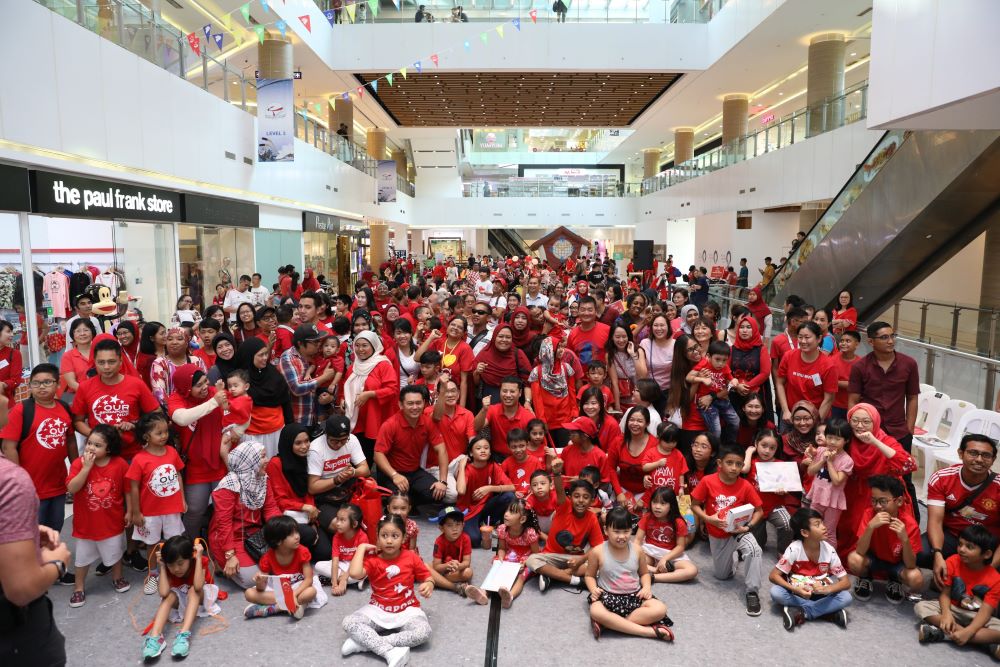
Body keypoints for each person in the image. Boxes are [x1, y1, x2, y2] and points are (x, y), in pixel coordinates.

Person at [848, 321, 920, 519]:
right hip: (870, 433)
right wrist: (856, 429)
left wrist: (909, 429)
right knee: (870, 478)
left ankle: (911, 522)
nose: (891, 341)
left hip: (899, 431)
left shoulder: (908, 364)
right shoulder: (860, 366)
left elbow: (912, 397)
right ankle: (868, 520)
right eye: (884, 337)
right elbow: (853, 400)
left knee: (905, 479)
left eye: (892, 336)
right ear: (871, 341)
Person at [341, 514, 434, 666]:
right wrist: (361, 548)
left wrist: (429, 584)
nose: (389, 540)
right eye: (384, 536)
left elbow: (428, 577)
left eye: (395, 536)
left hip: (408, 609)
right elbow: (355, 573)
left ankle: (364, 644)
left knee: (424, 632)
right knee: (349, 622)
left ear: (403, 538)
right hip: (378, 609)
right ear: (377, 537)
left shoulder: (411, 556)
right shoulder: (373, 559)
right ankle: (389, 652)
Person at [690, 444, 765, 616]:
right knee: (722, 576)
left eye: (738, 464)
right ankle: (735, 558)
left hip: (739, 532)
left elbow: (759, 511)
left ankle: (752, 592)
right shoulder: (708, 481)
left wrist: (748, 527)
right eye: (729, 463)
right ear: (719, 463)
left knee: (754, 550)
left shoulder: (745, 485)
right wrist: (709, 519)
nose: (734, 467)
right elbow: (694, 505)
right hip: (717, 535)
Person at [0, 364, 76, 533]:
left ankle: (52, 559)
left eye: (47, 382)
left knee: (55, 529)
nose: (41, 386)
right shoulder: (21, 410)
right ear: (30, 386)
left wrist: (76, 468)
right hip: (30, 488)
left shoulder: (64, 408)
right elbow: (8, 446)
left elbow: (70, 441)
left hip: (58, 484)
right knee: (32, 533)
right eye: (36, 383)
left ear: (58, 384)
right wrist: (19, 482)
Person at [836, 403, 916, 555]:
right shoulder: (847, 438)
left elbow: (908, 464)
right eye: (855, 421)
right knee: (850, 528)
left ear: (876, 422)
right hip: (853, 491)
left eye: (866, 422)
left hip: (881, 493)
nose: (860, 426)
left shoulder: (885, 440)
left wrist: (875, 442)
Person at [585, 506, 674, 642]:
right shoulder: (597, 551)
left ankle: (610, 624)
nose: (622, 536)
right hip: (607, 597)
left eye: (626, 531)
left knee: (660, 609)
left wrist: (646, 588)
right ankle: (649, 632)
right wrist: (593, 590)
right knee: (595, 610)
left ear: (631, 530)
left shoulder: (637, 550)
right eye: (616, 531)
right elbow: (589, 576)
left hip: (634, 596)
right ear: (606, 531)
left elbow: (644, 574)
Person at [65, 425, 131, 607]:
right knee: (82, 558)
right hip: (86, 524)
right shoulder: (79, 463)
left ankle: (117, 578)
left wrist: (130, 510)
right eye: (89, 443)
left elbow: (127, 491)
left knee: (115, 552)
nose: (91, 448)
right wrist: (86, 468)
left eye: (97, 445)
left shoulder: (120, 464)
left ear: (109, 448)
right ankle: (78, 588)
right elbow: (72, 488)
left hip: (112, 521)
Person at [915, 525, 1000, 657]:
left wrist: (970, 631)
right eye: (960, 544)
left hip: (977, 617)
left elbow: (986, 611)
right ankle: (985, 642)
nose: (962, 549)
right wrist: (946, 614)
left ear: (987, 554)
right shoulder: (953, 561)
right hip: (954, 609)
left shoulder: (995, 578)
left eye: (969, 547)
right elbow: (945, 595)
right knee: (921, 607)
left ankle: (945, 634)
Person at [71, 336, 161, 462]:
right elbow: (77, 421)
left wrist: (135, 425)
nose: (106, 367)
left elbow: (156, 413)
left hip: (132, 455)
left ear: (120, 362)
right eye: (101, 362)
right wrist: (97, 436)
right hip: (98, 456)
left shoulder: (136, 384)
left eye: (111, 362)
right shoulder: (85, 387)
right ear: (94, 362)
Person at [921, 434, 1000, 575]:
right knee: (919, 552)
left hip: (986, 543)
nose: (979, 460)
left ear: (993, 460)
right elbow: (935, 521)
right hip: (952, 536)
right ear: (960, 453)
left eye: (986, 455)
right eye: (973, 453)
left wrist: (989, 572)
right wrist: (937, 554)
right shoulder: (941, 478)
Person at [166, 365, 228, 539]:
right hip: (195, 467)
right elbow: (181, 418)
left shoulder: (215, 392)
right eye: (199, 384)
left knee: (223, 511)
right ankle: (189, 548)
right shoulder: (177, 399)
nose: (205, 387)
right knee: (194, 511)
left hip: (220, 463)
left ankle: (221, 550)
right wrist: (214, 402)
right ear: (186, 387)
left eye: (205, 381)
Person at [209, 442, 281, 588]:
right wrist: (230, 556)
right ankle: (218, 559)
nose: (267, 460)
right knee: (252, 581)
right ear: (249, 460)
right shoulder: (228, 486)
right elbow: (224, 524)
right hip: (230, 540)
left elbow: (270, 509)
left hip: (256, 535)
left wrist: (283, 531)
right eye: (262, 457)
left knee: (281, 566)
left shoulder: (262, 479)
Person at [768, 508, 853, 631]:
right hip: (799, 594)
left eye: (822, 523)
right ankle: (828, 613)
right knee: (776, 593)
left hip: (821, 595)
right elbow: (773, 576)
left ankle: (802, 612)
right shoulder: (794, 549)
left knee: (846, 597)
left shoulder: (829, 550)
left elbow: (846, 582)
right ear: (805, 533)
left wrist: (827, 589)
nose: (824, 527)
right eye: (817, 524)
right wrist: (795, 589)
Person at [128, 412, 185, 593]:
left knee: (174, 541)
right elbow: (134, 487)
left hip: (172, 508)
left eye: (165, 432)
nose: (164, 436)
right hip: (150, 511)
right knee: (152, 544)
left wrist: (182, 499)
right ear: (146, 436)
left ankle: (173, 573)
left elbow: (178, 475)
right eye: (159, 433)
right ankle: (153, 574)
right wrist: (136, 512)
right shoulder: (139, 459)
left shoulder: (172, 452)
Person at [525, 460, 604, 592]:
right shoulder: (564, 506)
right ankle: (575, 580)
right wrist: (556, 473)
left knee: (600, 563)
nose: (580, 500)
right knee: (532, 560)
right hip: (552, 555)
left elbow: (597, 547)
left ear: (591, 500)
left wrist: (580, 561)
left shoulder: (591, 518)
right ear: (570, 498)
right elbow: (560, 490)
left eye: (585, 497)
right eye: (576, 496)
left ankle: (552, 576)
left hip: (575, 559)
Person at [847, 475, 923, 604]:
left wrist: (904, 539)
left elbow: (911, 565)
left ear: (899, 501)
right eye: (873, 501)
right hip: (873, 559)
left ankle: (895, 581)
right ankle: (865, 578)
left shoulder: (909, 524)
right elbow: (859, 551)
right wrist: (870, 527)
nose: (877, 506)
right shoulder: (869, 514)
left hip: (897, 564)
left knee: (916, 578)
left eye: (883, 501)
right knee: (854, 559)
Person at [374, 385, 450, 508]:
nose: (415, 407)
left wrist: (443, 481)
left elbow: (441, 450)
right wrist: (394, 475)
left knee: (438, 493)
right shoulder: (390, 425)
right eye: (410, 403)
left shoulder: (427, 422)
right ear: (401, 405)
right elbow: (378, 455)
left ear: (424, 403)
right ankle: (398, 500)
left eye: (418, 403)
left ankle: (409, 501)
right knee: (396, 500)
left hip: (414, 471)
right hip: (391, 473)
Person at [143, 536, 217, 660]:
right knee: (169, 596)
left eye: (180, 563)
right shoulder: (166, 566)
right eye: (171, 565)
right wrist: (162, 566)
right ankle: (156, 637)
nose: (176, 569)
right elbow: (163, 592)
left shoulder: (201, 560)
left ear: (191, 556)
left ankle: (184, 634)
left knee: (193, 590)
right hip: (183, 597)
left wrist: (198, 558)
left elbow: (198, 586)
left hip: (201, 597)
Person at [243, 516, 320, 620]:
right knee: (249, 593)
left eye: (297, 532)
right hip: (279, 588)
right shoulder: (267, 557)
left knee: (311, 592)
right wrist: (259, 581)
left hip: (299, 587)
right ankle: (290, 606)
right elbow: (261, 589)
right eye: (291, 534)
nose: (297, 536)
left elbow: (308, 579)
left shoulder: (302, 551)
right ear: (278, 541)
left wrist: (293, 594)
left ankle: (275, 608)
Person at [343, 330, 399, 464]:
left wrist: (370, 394)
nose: (360, 349)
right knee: (361, 460)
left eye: (365, 345)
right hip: (357, 420)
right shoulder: (353, 367)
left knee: (381, 458)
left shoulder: (383, 365)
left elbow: (392, 389)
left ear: (374, 346)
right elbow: (345, 387)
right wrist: (343, 400)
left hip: (377, 420)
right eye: (357, 345)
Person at [775, 321, 837, 427]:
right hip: (790, 415)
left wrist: (815, 422)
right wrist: (785, 410)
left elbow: (829, 399)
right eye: (800, 337)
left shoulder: (828, 365)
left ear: (819, 339)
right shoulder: (789, 356)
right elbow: (780, 383)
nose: (803, 341)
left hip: (814, 419)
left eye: (807, 337)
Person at [742, 429, 793, 555]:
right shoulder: (751, 463)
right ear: (756, 444)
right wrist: (748, 452)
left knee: (787, 524)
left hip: (774, 506)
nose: (767, 451)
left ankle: (782, 551)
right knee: (757, 545)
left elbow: (787, 487)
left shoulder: (780, 464)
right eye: (763, 446)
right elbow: (743, 470)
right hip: (754, 508)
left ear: (777, 449)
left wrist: (783, 491)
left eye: (772, 448)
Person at [279, 324, 337, 430]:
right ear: (300, 343)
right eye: (315, 342)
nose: (319, 344)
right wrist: (324, 378)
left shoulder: (321, 355)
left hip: (320, 417)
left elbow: (336, 378)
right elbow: (296, 388)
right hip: (299, 420)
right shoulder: (288, 358)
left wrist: (331, 397)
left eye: (319, 341)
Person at [635, 486, 697, 584]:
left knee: (692, 570)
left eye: (663, 503)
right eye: (654, 502)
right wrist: (635, 555)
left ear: (671, 505)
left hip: (670, 556)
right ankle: (656, 570)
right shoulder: (647, 517)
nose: (657, 506)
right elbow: (637, 540)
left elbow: (680, 547)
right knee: (632, 561)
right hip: (649, 552)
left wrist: (665, 559)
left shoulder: (678, 522)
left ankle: (654, 577)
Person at [426, 506, 488, 604]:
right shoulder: (439, 541)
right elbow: (437, 566)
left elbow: (466, 563)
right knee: (424, 565)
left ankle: (438, 581)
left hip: (456, 571)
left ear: (463, 525)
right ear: (441, 528)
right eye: (450, 525)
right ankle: (456, 586)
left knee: (468, 572)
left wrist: (458, 566)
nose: (455, 529)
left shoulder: (466, 538)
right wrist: (447, 565)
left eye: (458, 524)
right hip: (443, 569)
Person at [473, 324, 531, 405]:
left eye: (508, 337)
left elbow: (528, 382)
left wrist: (527, 402)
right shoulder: (485, 353)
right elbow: (476, 382)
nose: (504, 340)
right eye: (500, 336)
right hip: (487, 401)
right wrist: (477, 372)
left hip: (511, 400)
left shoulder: (518, 354)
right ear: (494, 337)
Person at [150, 326, 206, 406]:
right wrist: (176, 411)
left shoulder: (196, 361)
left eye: (179, 339)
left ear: (187, 343)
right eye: (170, 339)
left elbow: (205, 386)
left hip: (197, 409)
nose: (174, 342)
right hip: (170, 412)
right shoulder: (159, 363)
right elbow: (159, 394)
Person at [568, 296, 611, 365]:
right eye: (582, 310)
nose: (586, 313)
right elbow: (570, 360)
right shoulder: (572, 334)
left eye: (590, 310)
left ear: (596, 311)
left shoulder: (607, 330)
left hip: (602, 375)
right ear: (578, 311)